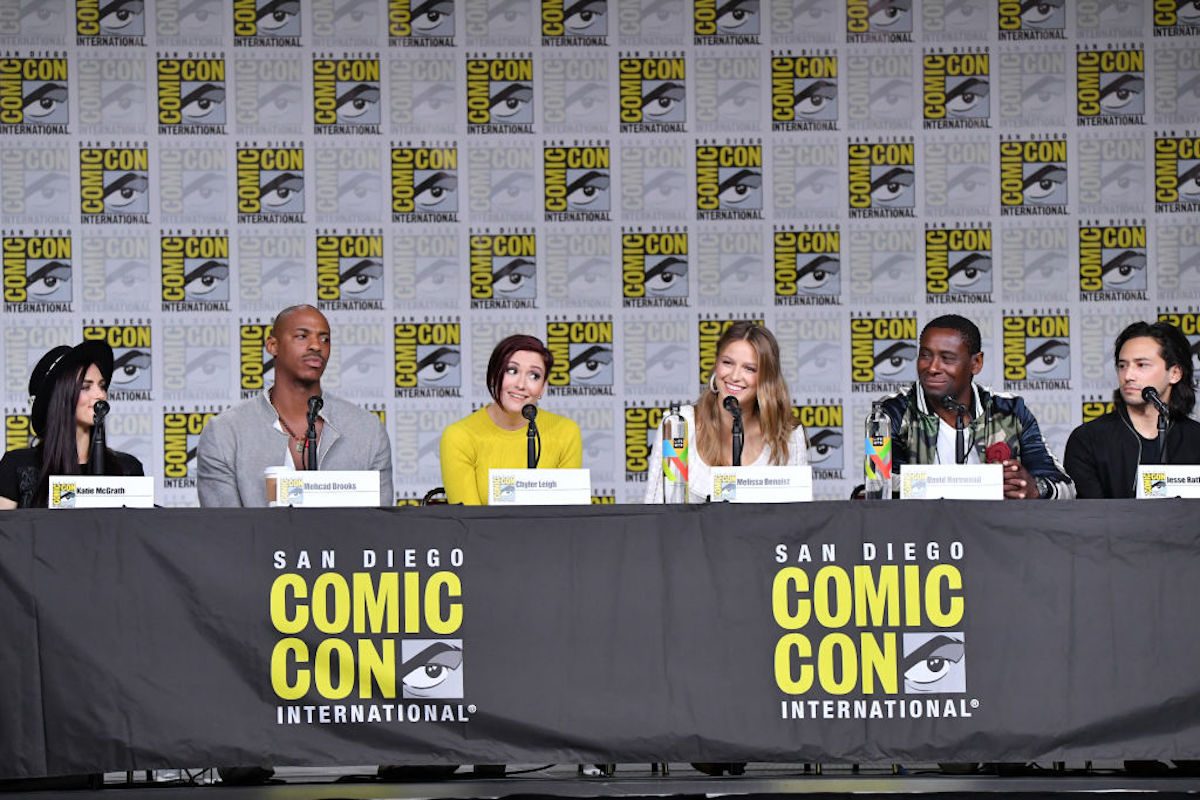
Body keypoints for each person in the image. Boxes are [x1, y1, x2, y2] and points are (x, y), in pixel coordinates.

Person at [197, 304, 393, 507]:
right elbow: (223, 530)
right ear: (273, 346)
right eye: (302, 336)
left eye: (324, 339)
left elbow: (379, 528)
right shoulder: (224, 433)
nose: (317, 346)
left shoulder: (368, 430)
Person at [878, 314, 1073, 499]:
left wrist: (1034, 488)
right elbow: (879, 482)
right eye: (925, 356)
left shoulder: (1010, 411)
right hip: (920, 531)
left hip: (994, 531)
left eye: (947, 358)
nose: (933, 367)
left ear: (976, 363)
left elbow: (1066, 488)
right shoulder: (891, 412)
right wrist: (981, 483)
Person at [644, 321, 808, 504]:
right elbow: (656, 510)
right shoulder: (679, 426)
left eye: (749, 368)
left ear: (766, 378)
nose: (735, 376)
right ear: (716, 364)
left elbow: (799, 519)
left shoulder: (787, 434)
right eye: (728, 363)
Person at [440, 334, 582, 505]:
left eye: (534, 376)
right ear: (494, 375)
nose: (521, 384)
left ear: (543, 387)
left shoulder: (565, 432)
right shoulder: (459, 436)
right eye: (512, 371)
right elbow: (469, 523)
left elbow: (568, 517)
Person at [1064, 320, 1200, 498]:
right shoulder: (1087, 440)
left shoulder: (1196, 439)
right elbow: (1091, 519)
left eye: (1141, 365)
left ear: (1174, 373)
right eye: (1122, 365)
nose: (1128, 376)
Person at [0, 341, 143, 509]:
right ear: (60, 399)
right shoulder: (17, 465)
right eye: (85, 387)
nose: (100, 394)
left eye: (102, 386)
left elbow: (138, 532)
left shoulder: (127, 468)